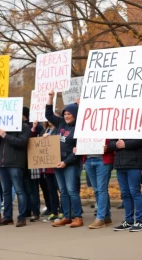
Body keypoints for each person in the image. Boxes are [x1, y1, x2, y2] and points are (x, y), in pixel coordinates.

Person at [46, 90, 83, 228]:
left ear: (75, 115)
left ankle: (78, 217)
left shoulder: (78, 128)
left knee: (72, 190)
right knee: (63, 191)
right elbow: (48, 114)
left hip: (70, 164)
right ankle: (67, 216)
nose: (67, 116)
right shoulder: (61, 123)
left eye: (69, 114)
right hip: (57, 163)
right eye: (65, 114)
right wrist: (50, 97)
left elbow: (78, 151)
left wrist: (66, 162)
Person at [0, 122, 31, 227]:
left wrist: (5, 135)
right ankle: (7, 217)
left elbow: (22, 142)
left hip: (15, 163)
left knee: (19, 190)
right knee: (6, 191)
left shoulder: (23, 126)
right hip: (2, 163)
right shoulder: (2, 126)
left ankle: (22, 217)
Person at [109, 138, 142, 232]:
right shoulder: (118, 127)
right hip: (120, 165)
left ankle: (139, 221)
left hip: (134, 164)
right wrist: (116, 144)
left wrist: (125, 144)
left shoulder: (136, 124)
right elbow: (110, 143)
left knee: (134, 192)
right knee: (125, 193)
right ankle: (129, 220)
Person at [83, 140, 114, 229]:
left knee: (101, 189)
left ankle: (100, 218)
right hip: (89, 160)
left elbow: (114, 141)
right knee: (97, 190)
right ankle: (106, 217)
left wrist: (108, 147)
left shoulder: (107, 127)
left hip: (103, 160)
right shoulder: (85, 128)